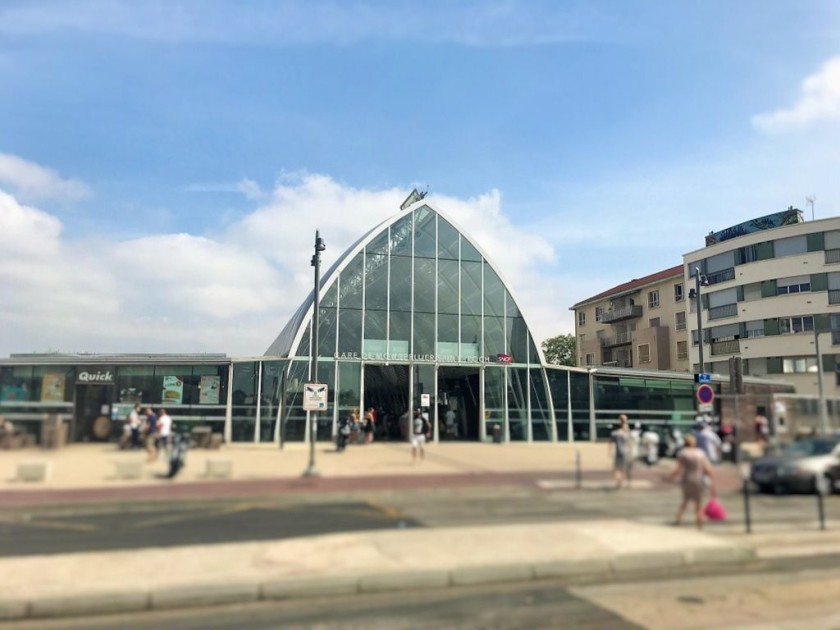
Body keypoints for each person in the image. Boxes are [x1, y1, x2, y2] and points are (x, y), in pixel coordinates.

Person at [667, 433, 716, 529]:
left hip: (687, 478)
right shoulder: (700, 453)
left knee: (685, 500)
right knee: (698, 502)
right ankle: (699, 522)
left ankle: (679, 518)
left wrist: (671, 477)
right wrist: (712, 479)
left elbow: (678, 469)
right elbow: (707, 468)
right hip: (699, 478)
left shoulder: (683, 453)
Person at [608, 415, 632, 488]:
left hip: (622, 452)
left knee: (619, 468)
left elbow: (629, 442)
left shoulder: (620, 431)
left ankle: (620, 482)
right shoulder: (621, 431)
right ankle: (620, 481)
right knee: (620, 469)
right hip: (622, 452)